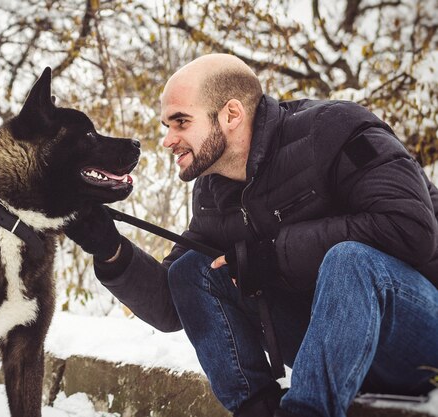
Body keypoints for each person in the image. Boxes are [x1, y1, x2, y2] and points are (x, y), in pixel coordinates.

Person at [64, 54, 438, 417]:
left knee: (349, 260)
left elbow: (411, 228)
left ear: (231, 114)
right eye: (167, 126)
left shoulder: (334, 130)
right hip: (329, 349)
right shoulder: (213, 192)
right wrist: (110, 251)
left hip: (418, 341)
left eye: (180, 122)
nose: (167, 140)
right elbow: (173, 301)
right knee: (193, 269)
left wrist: (272, 257)